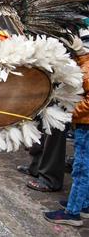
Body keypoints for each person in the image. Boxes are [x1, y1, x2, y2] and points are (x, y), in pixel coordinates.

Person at [44, 49, 89, 227]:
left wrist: (74, 112)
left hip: (86, 125)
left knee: (81, 169)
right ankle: (83, 205)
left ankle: (72, 212)